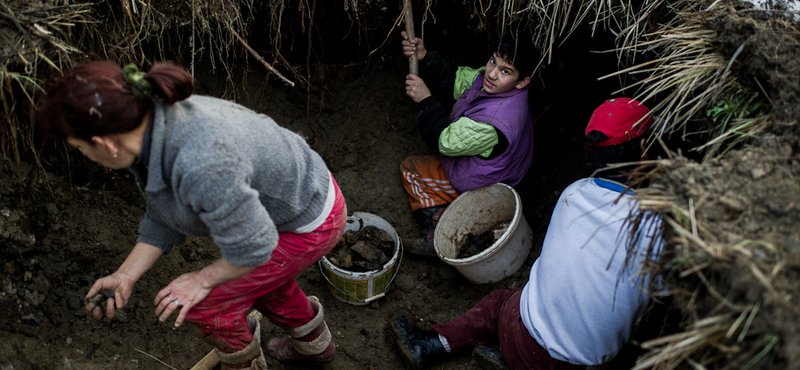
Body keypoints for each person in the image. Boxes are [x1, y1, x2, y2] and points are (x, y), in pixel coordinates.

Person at [37, 61, 347, 369]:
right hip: (294, 198)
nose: (85, 156)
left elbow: (253, 247)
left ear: (104, 144)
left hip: (309, 222)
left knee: (208, 305)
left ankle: (245, 364)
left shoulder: (200, 164)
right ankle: (315, 345)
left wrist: (200, 280)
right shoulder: (152, 122)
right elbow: (165, 210)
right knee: (264, 282)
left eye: (79, 148)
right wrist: (126, 275)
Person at [390, 97, 664, 370]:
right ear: (643, 147)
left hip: (519, 337)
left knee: (501, 302)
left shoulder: (575, 192)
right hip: (581, 366)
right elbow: (663, 292)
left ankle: (430, 344)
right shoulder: (658, 227)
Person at [399, 31, 537, 256]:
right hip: (505, 169)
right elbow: (456, 78)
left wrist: (425, 100)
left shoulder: (494, 122)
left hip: (484, 187)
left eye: (505, 71)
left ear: (522, 81)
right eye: (493, 61)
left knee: (410, 169)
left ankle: (436, 230)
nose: (492, 73)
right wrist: (424, 56)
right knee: (446, 124)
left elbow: (443, 142)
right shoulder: (494, 86)